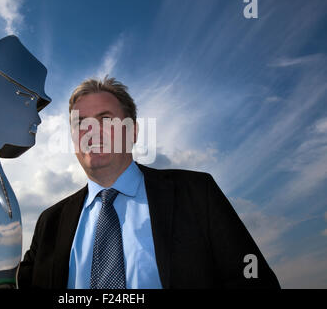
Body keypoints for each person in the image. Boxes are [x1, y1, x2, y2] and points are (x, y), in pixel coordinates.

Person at [17, 76, 280, 289]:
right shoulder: (48, 223)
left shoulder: (197, 193)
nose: (91, 131)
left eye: (105, 119)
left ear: (132, 131)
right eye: (80, 123)